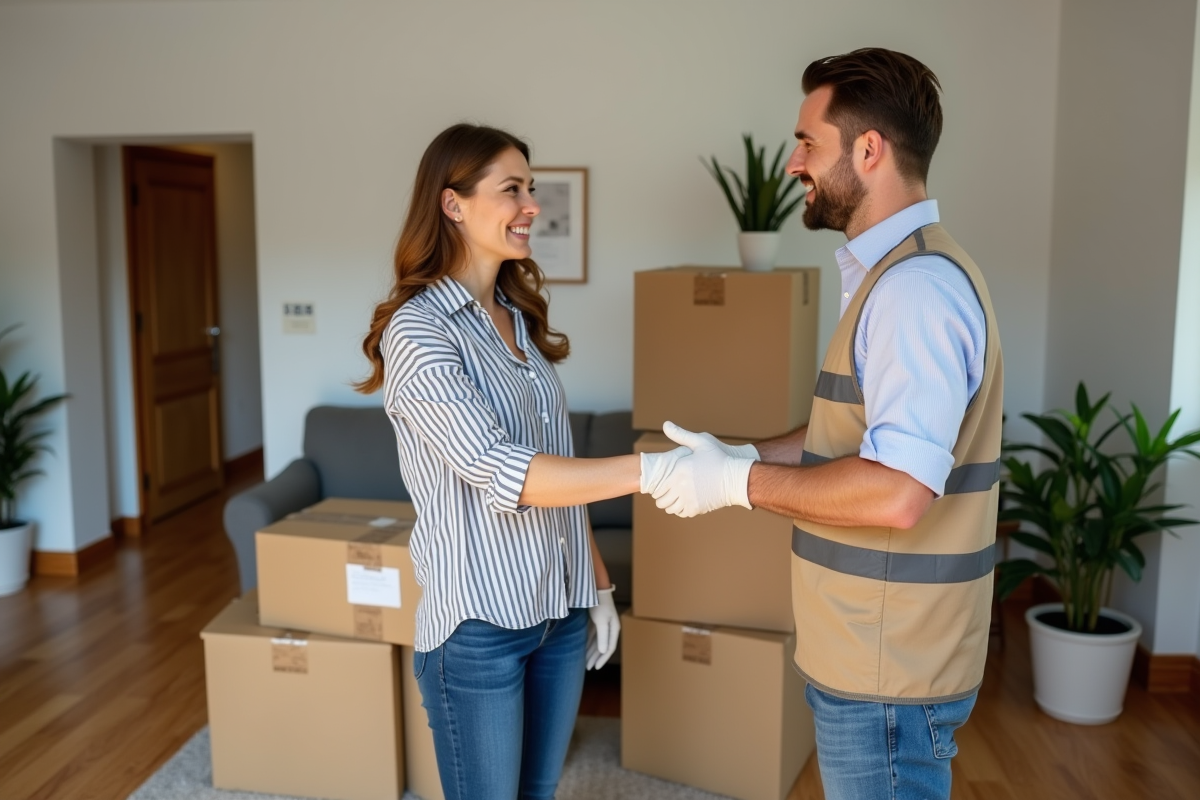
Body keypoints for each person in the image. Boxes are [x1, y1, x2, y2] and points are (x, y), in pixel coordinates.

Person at [649, 48, 1004, 800]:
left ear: (868, 150)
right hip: (872, 658)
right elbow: (854, 443)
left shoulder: (914, 292)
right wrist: (742, 452)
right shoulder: (896, 277)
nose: (790, 164)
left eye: (807, 142)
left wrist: (739, 484)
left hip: (891, 672)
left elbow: (898, 492)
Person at [355, 123, 684, 800]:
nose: (532, 205)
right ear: (453, 204)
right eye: (513, 190)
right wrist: (651, 469)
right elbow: (500, 467)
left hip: (557, 615)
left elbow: (558, 461)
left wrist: (594, 585)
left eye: (530, 189)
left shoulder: (515, 317)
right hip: (479, 629)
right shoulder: (419, 333)